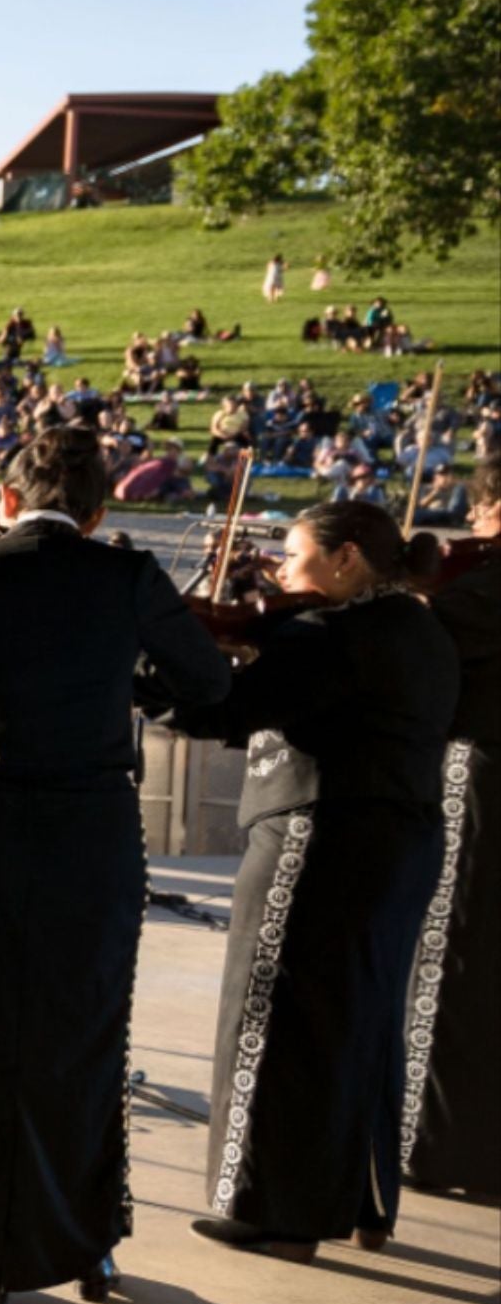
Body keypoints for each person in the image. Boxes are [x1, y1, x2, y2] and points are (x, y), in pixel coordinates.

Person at [0, 429, 231, 1304]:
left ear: (2, 500)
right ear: (98, 510)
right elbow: (207, 684)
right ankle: (83, 1240)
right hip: (86, 826)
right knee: (80, 1025)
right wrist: (123, 680)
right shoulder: (126, 575)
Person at [157, 500, 459, 1259]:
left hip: (317, 834)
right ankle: (363, 1199)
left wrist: (152, 668)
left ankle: (270, 1206)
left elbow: (221, 709)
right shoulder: (422, 627)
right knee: (362, 1020)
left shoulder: (326, 634)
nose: (280, 575)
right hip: (401, 839)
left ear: (346, 558)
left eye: (292, 558)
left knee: (271, 1012)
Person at [404, 458, 500, 1198]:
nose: (470, 527)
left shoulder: (477, 591)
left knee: (452, 949)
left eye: (479, 511)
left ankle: (430, 1145)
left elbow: (414, 652)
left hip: (486, 777)